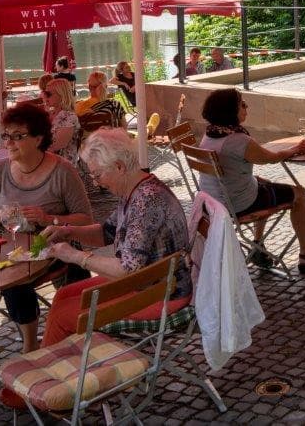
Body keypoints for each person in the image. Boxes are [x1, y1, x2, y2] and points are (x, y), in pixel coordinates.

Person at [0, 103, 93, 392]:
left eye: (17, 136)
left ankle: (30, 350)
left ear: (38, 138)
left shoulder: (63, 172)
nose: (8, 143)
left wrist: (49, 218)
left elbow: (87, 220)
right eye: (6, 136)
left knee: (14, 281)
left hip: (46, 252)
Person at [38, 129, 193, 344]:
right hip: (149, 284)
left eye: (97, 175)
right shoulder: (135, 189)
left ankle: (57, 372)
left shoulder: (145, 201)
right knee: (63, 296)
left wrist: (75, 256)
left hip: (162, 294)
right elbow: (106, 233)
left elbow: (127, 269)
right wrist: (68, 231)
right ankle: (71, 363)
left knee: (64, 315)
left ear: (119, 167)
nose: (95, 183)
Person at [196, 88, 305, 273]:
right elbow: (270, 158)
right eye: (242, 104)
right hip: (238, 204)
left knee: (265, 184)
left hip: (213, 202)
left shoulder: (211, 133)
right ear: (230, 111)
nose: (246, 106)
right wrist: (294, 149)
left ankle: (258, 244)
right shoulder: (238, 140)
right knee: (300, 194)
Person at [42, 78, 81, 159]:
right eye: (44, 93)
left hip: (62, 164)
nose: (45, 97)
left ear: (61, 95)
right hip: (47, 159)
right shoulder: (50, 114)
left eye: (48, 94)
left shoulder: (69, 117)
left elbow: (55, 147)